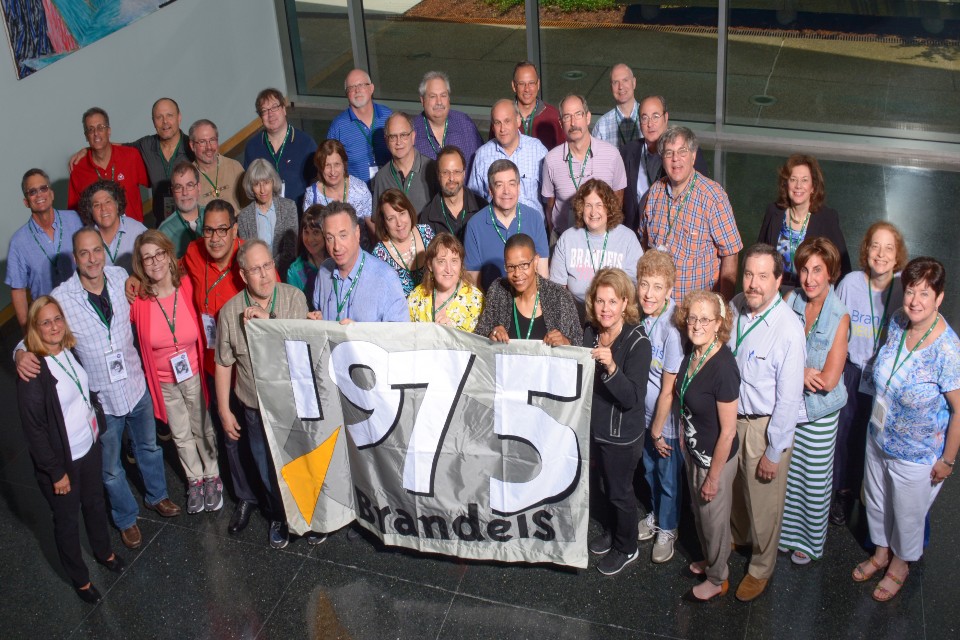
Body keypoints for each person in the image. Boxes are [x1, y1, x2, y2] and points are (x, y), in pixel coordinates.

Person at [16, 227, 180, 551]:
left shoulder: (122, 277)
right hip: (101, 400)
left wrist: (136, 278)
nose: (92, 259)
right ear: (75, 258)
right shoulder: (62, 297)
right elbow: (32, 334)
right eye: (84, 253)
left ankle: (157, 496)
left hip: (135, 385)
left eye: (96, 251)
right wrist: (19, 353)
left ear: (103, 251)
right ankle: (126, 519)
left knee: (148, 447)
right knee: (110, 468)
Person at [854, 257, 960, 602]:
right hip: (879, 436)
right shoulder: (899, 321)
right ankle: (881, 553)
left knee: (907, 514)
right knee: (877, 500)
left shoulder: (947, 349)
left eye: (925, 294)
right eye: (911, 291)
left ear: (939, 298)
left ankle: (900, 565)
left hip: (917, 452)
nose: (914, 300)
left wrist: (948, 460)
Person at [17, 296, 126, 604]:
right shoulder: (33, 371)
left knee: (94, 504)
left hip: (88, 447)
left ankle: (103, 551)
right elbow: (35, 431)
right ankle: (80, 580)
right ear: (36, 329)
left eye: (57, 319)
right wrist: (56, 472)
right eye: (45, 322)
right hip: (63, 463)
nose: (53, 327)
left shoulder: (68, 350)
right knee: (66, 522)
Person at [216, 240, 315, 549]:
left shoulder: (293, 298)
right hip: (255, 406)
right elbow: (223, 363)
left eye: (268, 265)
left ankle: (306, 515)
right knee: (265, 466)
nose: (265, 274)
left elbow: (301, 347)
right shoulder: (230, 311)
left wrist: (268, 321)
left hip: (292, 404)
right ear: (243, 275)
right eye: (256, 269)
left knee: (300, 461)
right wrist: (223, 409)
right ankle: (277, 516)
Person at [727, 243, 805, 601]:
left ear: (778, 280)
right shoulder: (736, 308)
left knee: (764, 504)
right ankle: (739, 538)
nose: (753, 284)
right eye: (748, 274)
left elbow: (789, 400)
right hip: (732, 420)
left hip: (764, 426)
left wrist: (774, 451)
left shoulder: (788, 329)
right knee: (738, 495)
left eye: (762, 276)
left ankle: (761, 568)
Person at [131, 231, 222, 515]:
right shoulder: (138, 301)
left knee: (202, 426)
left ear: (169, 254)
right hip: (163, 381)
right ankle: (194, 480)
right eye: (148, 258)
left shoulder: (187, 286)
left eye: (159, 254)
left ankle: (212, 476)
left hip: (192, 371)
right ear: (141, 264)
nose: (155, 262)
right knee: (180, 433)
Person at [180, 201, 257, 535]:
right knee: (229, 436)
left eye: (221, 229)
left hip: (250, 368)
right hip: (215, 365)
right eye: (208, 230)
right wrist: (136, 280)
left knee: (258, 438)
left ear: (234, 229)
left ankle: (271, 497)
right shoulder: (194, 254)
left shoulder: (250, 258)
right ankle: (244, 496)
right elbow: (165, 272)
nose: (214, 238)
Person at [831, 222, 908, 525]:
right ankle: (842, 491)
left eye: (889, 247)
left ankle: (871, 498)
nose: (881, 253)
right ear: (866, 249)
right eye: (875, 245)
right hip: (852, 370)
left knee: (876, 437)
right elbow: (835, 327)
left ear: (898, 253)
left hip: (885, 377)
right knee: (845, 433)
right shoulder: (850, 283)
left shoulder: (904, 287)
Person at [779, 238, 849, 565]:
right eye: (805, 269)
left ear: (831, 273)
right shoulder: (791, 299)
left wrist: (801, 370)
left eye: (818, 270)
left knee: (813, 479)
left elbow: (829, 379)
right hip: (791, 405)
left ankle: (808, 542)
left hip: (819, 414)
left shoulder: (839, 315)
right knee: (788, 474)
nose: (809, 278)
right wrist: (801, 370)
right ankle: (785, 534)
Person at [582, 268, 651, 575]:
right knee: (602, 487)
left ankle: (628, 546)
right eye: (600, 301)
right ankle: (613, 533)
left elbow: (631, 398)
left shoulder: (638, 343)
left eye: (612, 301)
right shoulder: (590, 331)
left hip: (621, 435)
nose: (606, 308)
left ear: (625, 303)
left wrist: (610, 366)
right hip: (595, 429)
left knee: (620, 492)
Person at [673, 290, 740, 601]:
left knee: (713, 520)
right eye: (693, 318)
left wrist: (713, 477)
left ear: (718, 324)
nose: (697, 324)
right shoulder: (694, 353)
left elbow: (728, 432)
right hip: (695, 452)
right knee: (700, 514)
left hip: (716, 460)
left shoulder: (724, 367)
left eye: (705, 319)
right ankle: (710, 560)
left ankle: (718, 578)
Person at [639, 126, 741, 302]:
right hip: (658, 306)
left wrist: (724, 307)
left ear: (693, 156)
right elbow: (643, 243)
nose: (675, 159)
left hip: (697, 311)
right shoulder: (655, 192)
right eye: (669, 153)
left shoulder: (712, 197)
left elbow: (731, 253)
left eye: (682, 151)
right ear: (662, 159)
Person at [635, 250, 684, 564]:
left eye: (657, 287)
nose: (648, 293)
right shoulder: (641, 315)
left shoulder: (673, 328)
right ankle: (655, 514)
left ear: (669, 291)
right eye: (644, 284)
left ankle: (669, 527)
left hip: (663, 421)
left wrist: (657, 430)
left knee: (668, 477)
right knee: (650, 470)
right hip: (642, 414)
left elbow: (669, 389)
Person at [68, 99, 192, 224]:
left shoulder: (193, 147)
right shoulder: (145, 146)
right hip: (162, 224)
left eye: (169, 115)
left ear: (179, 117)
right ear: (153, 121)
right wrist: (90, 148)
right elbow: (114, 145)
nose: (165, 121)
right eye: (159, 117)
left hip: (190, 220)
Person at [6, 168, 84, 333]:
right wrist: (28, 332)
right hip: (48, 324)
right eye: (32, 192)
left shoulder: (75, 220)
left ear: (52, 193)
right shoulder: (18, 242)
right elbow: (18, 290)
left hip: (83, 310)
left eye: (43, 188)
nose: (39, 195)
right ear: (26, 202)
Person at [757, 154, 850, 290]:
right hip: (774, 294)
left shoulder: (827, 218)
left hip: (810, 295)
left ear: (813, 187)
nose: (798, 186)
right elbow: (759, 255)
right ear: (786, 184)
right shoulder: (773, 212)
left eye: (804, 180)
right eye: (793, 179)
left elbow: (843, 265)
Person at [549, 178, 642, 311]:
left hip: (617, 315)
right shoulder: (567, 239)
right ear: (581, 208)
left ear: (609, 208)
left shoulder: (627, 239)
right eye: (588, 205)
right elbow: (556, 291)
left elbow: (635, 287)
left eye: (599, 205)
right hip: (578, 315)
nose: (593, 212)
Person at [542, 94, 626, 239]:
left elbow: (618, 198)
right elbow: (549, 205)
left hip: (602, 237)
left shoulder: (612, 155)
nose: (573, 122)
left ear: (588, 118)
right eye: (567, 117)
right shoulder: (551, 160)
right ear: (561, 123)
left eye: (578, 114)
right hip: (563, 238)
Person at [475, 234, 581, 346]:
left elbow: (578, 342)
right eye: (511, 267)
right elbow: (479, 338)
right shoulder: (498, 290)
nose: (517, 273)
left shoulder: (559, 296)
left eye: (523, 265)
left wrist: (565, 342)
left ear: (536, 261)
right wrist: (491, 335)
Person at [621, 95, 708, 232]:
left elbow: (699, 196)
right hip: (633, 237)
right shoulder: (628, 152)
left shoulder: (686, 153)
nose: (650, 124)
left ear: (666, 117)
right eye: (645, 118)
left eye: (655, 116)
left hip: (672, 235)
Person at [312, 202, 409, 322]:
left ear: (357, 233)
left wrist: (360, 335)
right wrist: (316, 320)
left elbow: (400, 335)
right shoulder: (324, 272)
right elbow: (318, 312)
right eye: (330, 238)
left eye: (343, 236)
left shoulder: (386, 278)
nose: (336, 247)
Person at [464, 159, 549, 290]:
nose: (506, 191)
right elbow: (474, 284)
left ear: (518, 187)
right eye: (499, 185)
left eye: (511, 184)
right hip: (491, 304)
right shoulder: (474, 225)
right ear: (491, 191)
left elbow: (542, 274)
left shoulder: (534, 218)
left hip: (530, 303)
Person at [68, 108, 149, 222]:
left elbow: (153, 181)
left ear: (109, 131)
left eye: (100, 127)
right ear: (86, 136)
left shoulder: (131, 156)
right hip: (98, 237)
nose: (96, 133)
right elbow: (74, 213)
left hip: (135, 236)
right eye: (91, 130)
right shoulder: (77, 167)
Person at [469, 99, 547, 215]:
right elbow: (474, 200)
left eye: (507, 121)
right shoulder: (482, 155)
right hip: (495, 228)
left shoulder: (537, 150)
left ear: (518, 121)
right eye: (497, 122)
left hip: (532, 229)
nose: (502, 129)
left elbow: (549, 198)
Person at [243, 88, 318, 208]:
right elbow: (250, 187)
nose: (270, 114)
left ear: (284, 109)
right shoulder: (253, 147)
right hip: (266, 217)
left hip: (300, 215)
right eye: (264, 111)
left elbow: (316, 185)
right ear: (260, 117)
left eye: (274, 107)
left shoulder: (306, 143)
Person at [303, 139, 374, 247]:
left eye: (337, 164)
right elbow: (308, 233)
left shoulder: (360, 189)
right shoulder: (312, 195)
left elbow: (372, 228)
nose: (332, 171)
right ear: (320, 168)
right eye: (327, 165)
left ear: (344, 165)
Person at [326, 69, 392, 183]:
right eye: (351, 87)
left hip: (389, 190)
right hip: (357, 196)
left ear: (371, 88)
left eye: (361, 85)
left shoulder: (388, 116)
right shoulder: (338, 127)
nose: (357, 90)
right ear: (347, 94)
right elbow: (330, 166)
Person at [408, 232, 484, 331]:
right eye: (441, 261)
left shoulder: (477, 300)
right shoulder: (416, 297)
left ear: (461, 264)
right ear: (430, 265)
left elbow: (481, 344)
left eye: (454, 261)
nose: (448, 269)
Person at [237, 159, 298, 280]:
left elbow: (290, 250)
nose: (262, 190)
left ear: (273, 182)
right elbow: (247, 255)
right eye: (256, 184)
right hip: (257, 277)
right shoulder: (244, 216)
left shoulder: (289, 207)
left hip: (285, 273)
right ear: (250, 187)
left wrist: (273, 271)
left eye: (266, 182)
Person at [412, 71, 483, 170]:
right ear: (422, 100)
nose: (439, 102)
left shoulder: (465, 125)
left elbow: (480, 165)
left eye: (443, 95)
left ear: (449, 98)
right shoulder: (412, 131)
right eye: (433, 96)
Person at [371, 112, 439, 214]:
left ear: (413, 137)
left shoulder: (432, 169)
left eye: (403, 135)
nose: (398, 142)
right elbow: (378, 222)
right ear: (386, 141)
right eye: (393, 137)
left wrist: (418, 230)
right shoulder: (381, 177)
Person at [372, 189, 435, 297]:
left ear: (409, 212)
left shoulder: (426, 233)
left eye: (402, 213)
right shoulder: (379, 254)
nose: (399, 223)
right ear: (384, 223)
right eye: (391, 218)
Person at [76, 179, 147, 274]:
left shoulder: (137, 230)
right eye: (97, 205)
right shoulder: (86, 238)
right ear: (90, 211)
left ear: (117, 205)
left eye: (108, 202)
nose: (103, 208)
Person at [420, 146, 486, 242]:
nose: (451, 178)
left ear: (464, 173)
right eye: (445, 172)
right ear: (438, 175)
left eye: (456, 172)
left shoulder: (483, 208)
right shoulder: (427, 218)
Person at [502, 61, 564, 150]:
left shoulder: (553, 117)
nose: (527, 89)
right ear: (514, 86)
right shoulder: (502, 117)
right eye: (522, 84)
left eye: (531, 83)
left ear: (538, 84)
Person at [189, 118, 246, 212]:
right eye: (202, 142)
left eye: (212, 140)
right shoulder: (189, 177)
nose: (209, 147)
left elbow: (248, 206)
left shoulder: (234, 167)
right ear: (192, 146)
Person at [158, 162, 206, 258]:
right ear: (172, 192)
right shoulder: (164, 231)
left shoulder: (212, 216)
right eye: (178, 187)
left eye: (190, 185)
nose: (185, 192)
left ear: (199, 188)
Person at [592, 63, 641, 149]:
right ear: (611, 87)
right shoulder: (602, 125)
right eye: (615, 82)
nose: (621, 87)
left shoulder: (649, 118)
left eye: (625, 80)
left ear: (634, 83)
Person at [287, 205, 326, 309]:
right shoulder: (295, 271)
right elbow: (295, 310)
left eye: (316, 232)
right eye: (306, 232)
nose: (310, 239)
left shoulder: (338, 263)